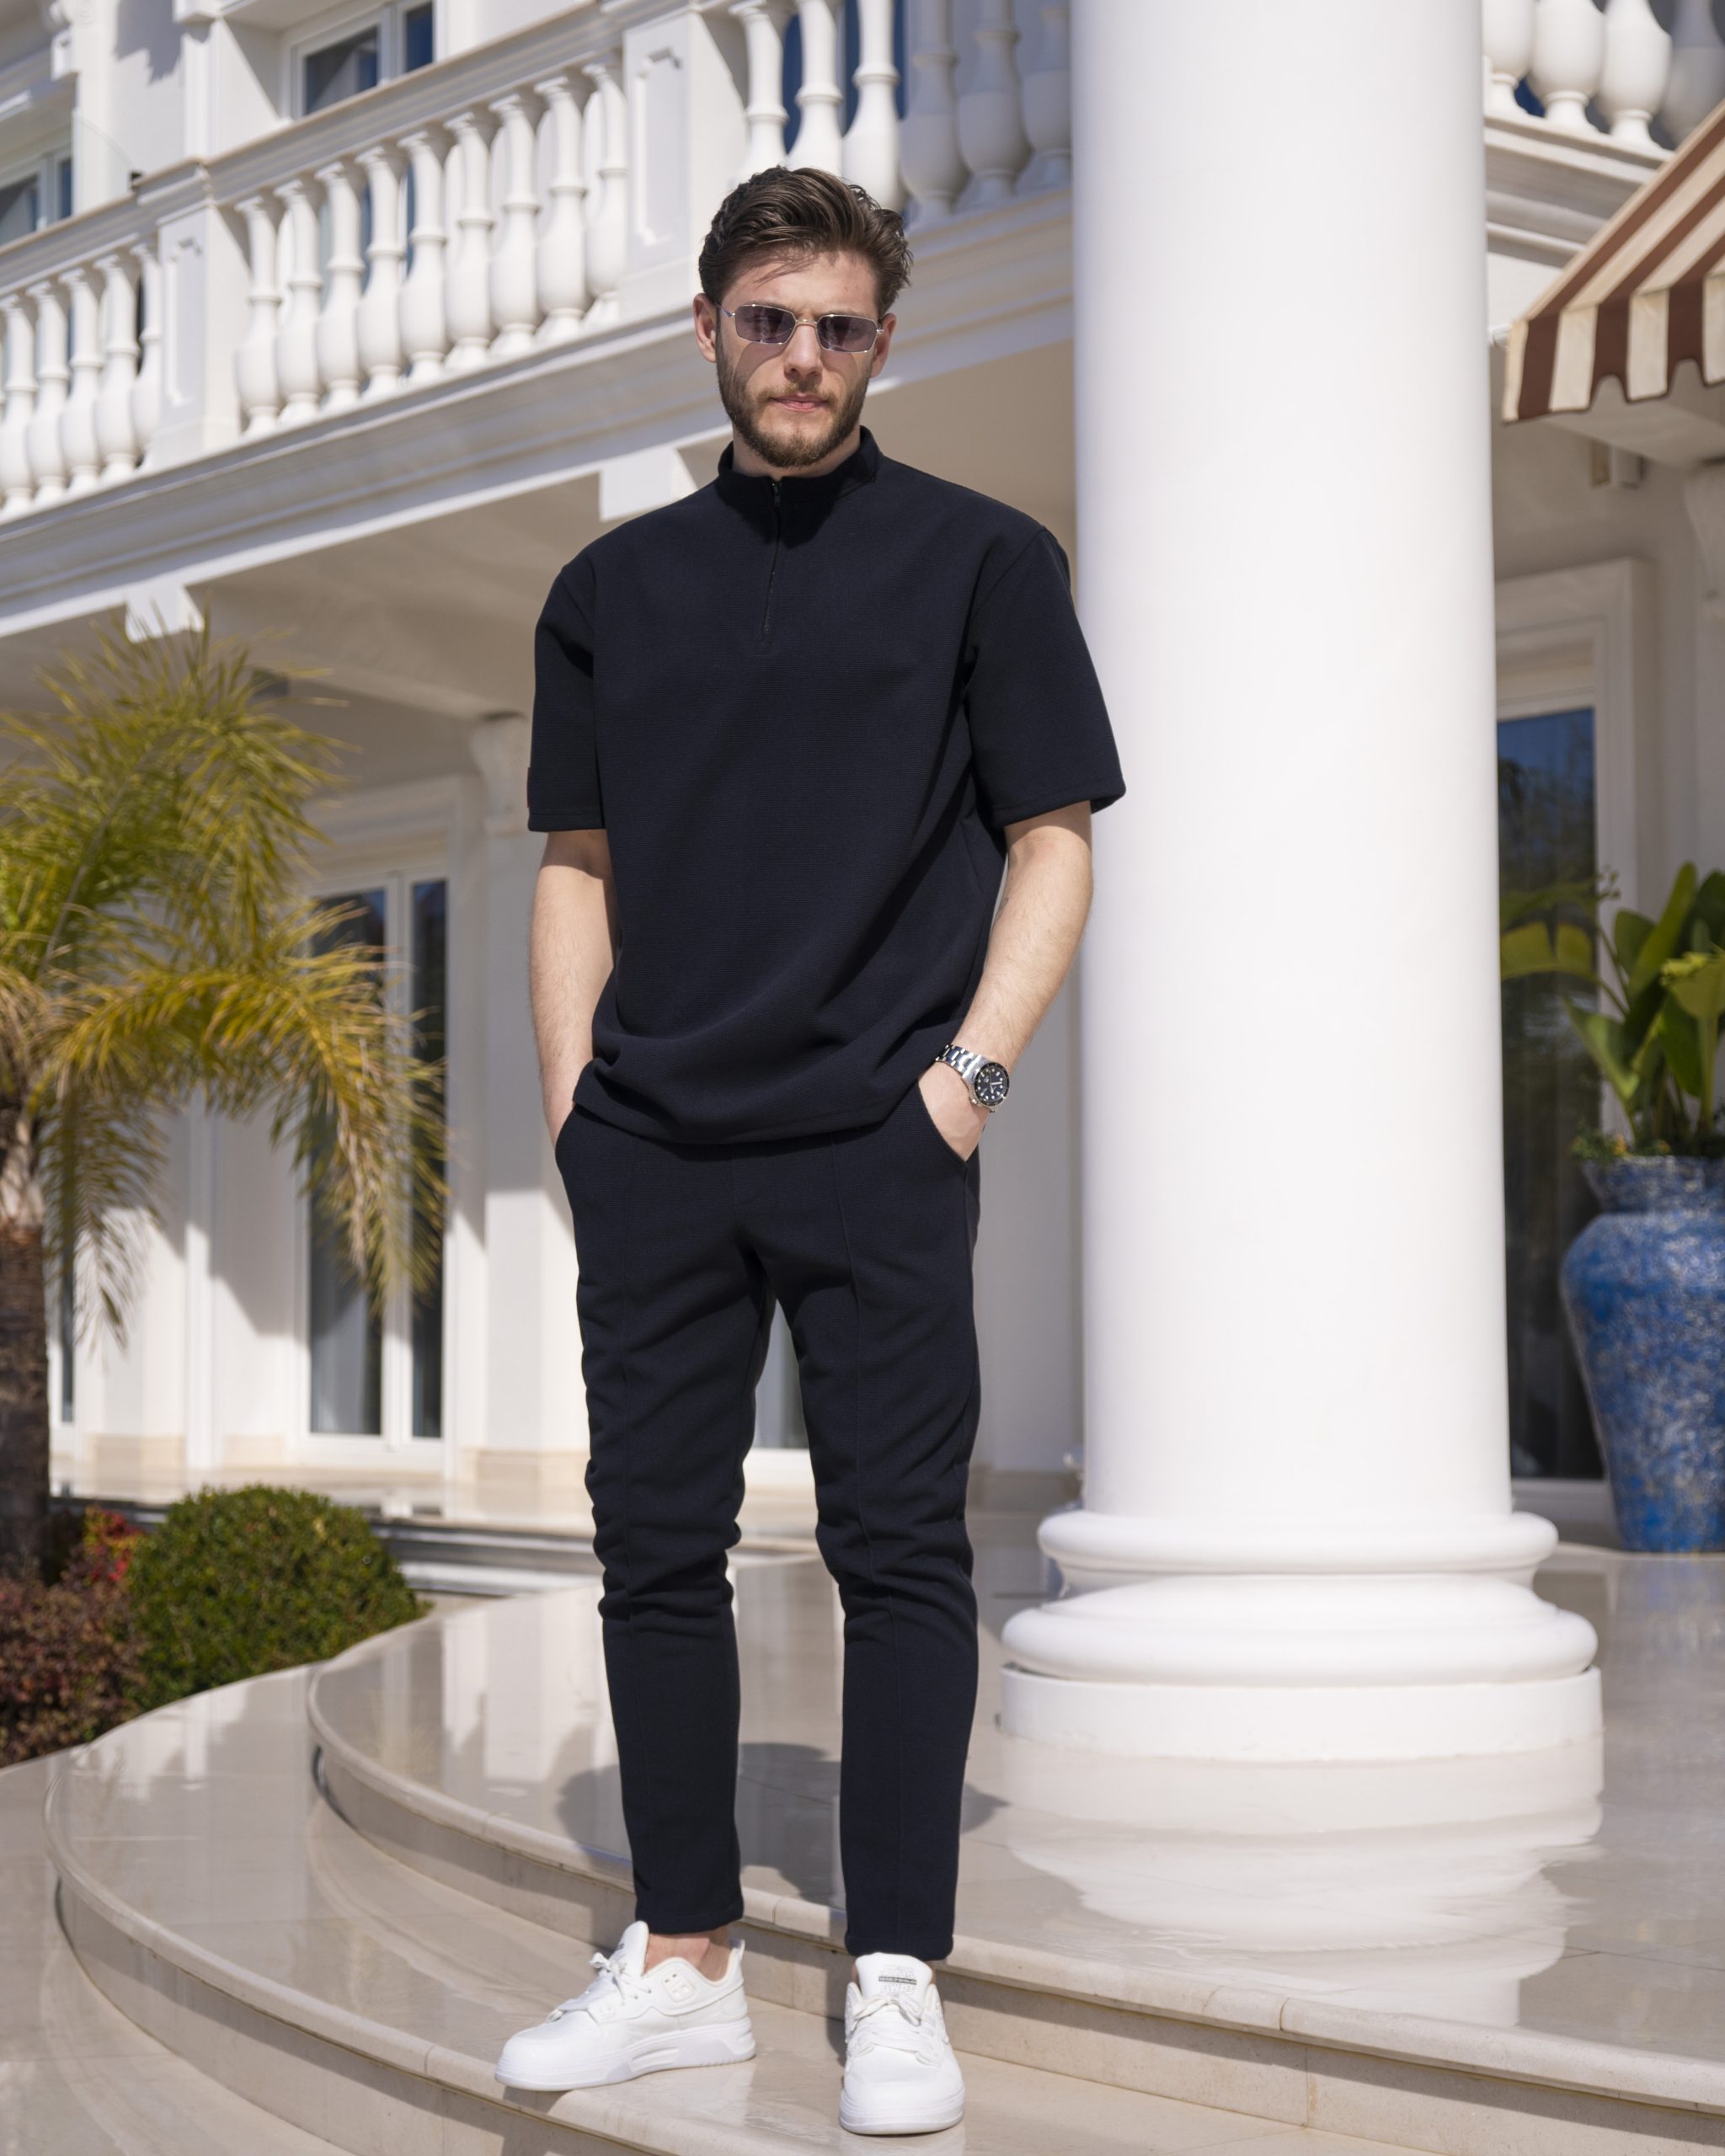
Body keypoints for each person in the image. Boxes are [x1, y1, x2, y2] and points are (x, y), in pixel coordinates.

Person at [498, 165, 1123, 2138]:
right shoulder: (608, 593)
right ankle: (684, 1957)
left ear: (880, 341)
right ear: (709, 328)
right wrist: (578, 1112)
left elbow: (1052, 840)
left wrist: (968, 1082)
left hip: (877, 1133)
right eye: (769, 322)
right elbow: (576, 864)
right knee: (652, 1548)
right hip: (657, 1146)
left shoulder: (982, 560)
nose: (801, 357)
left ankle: (895, 1969)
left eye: (838, 327)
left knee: (900, 1551)